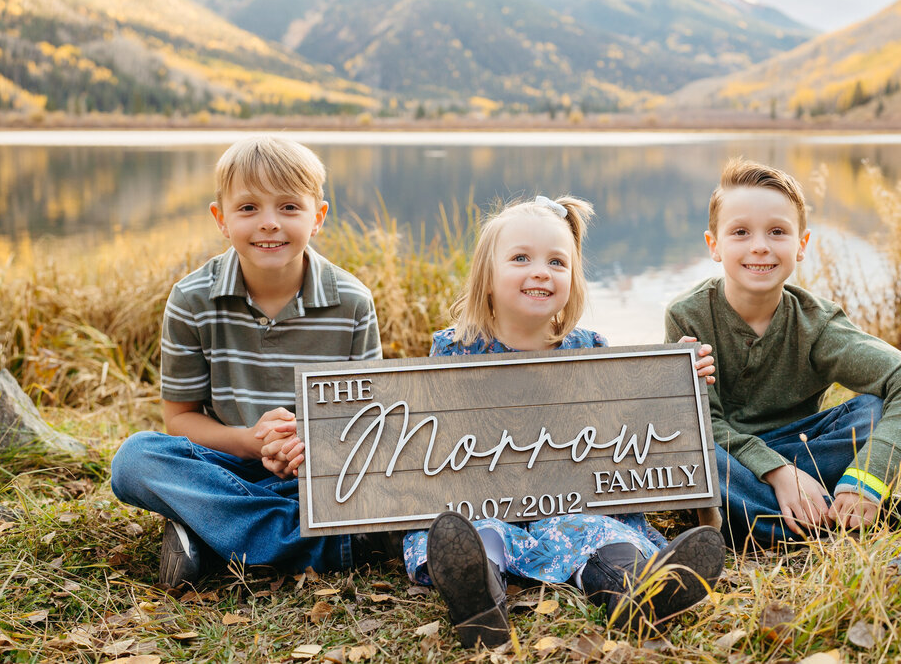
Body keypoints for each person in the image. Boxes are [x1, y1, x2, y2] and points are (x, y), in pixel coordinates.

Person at [406, 195, 726, 648]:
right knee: (474, 534)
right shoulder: (456, 351)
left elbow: (627, 422)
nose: (540, 271)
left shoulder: (589, 348)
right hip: (489, 502)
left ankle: (639, 594)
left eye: (557, 262)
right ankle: (479, 599)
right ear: (487, 277)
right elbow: (428, 437)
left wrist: (679, 382)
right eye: (521, 258)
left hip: (573, 503)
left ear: (573, 279)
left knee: (604, 535)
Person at [110, 135, 385, 586]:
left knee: (399, 481)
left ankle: (210, 533)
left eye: (289, 208)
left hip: (316, 472)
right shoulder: (192, 298)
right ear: (221, 219)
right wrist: (251, 443)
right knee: (134, 459)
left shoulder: (352, 302)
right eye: (248, 208)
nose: (269, 224)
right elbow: (180, 419)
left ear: (318, 217)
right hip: (228, 461)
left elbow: (367, 422)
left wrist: (310, 446)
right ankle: (324, 544)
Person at [664, 157, 901, 551]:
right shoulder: (688, 316)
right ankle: (828, 522)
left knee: (872, 410)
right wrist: (777, 472)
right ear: (714, 245)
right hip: (733, 461)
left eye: (777, 232)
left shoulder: (818, 324)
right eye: (741, 232)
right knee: (696, 452)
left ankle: (785, 516)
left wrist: (866, 479)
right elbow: (704, 425)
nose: (759, 246)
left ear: (801, 246)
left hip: (805, 454)